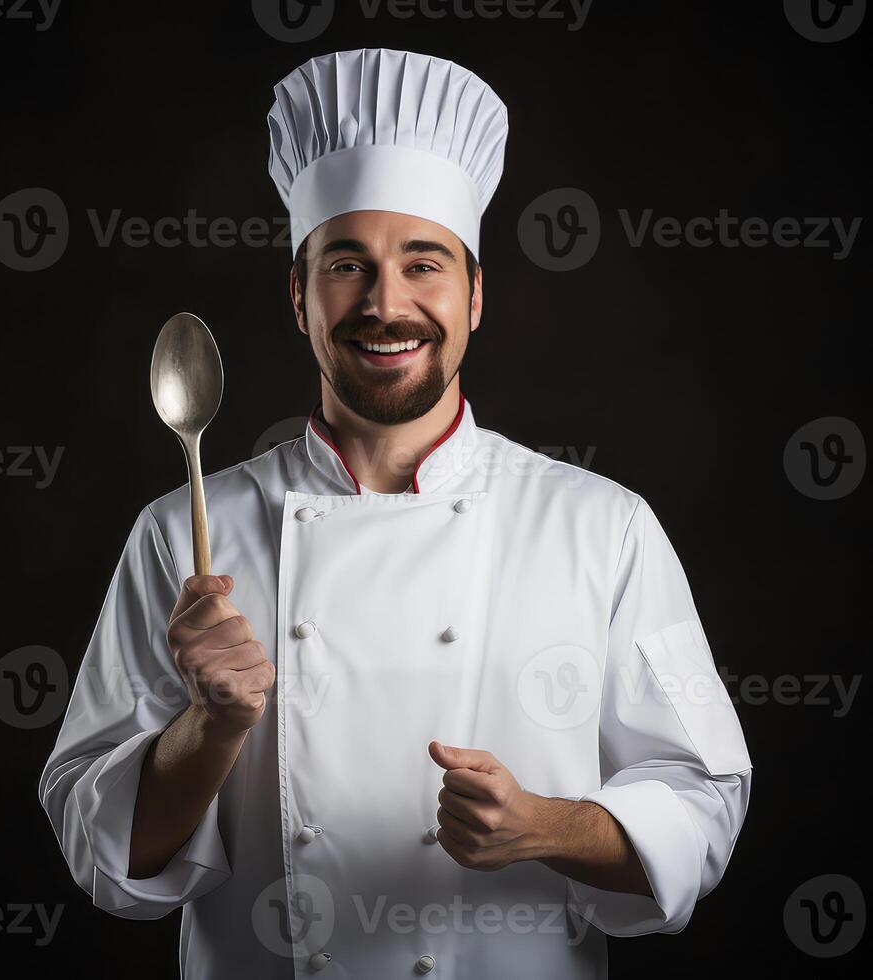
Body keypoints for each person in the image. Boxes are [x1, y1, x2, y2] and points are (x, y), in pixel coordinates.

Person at [40, 48, 752, 978]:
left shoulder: (601, 529)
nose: (386, 304)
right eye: (348, 265)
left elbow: (702, 800)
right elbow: (102, 854)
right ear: (299, 296)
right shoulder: (181, 533)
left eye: (425, 263)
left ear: (476, 296)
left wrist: (550, 827)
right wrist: (208, 729)